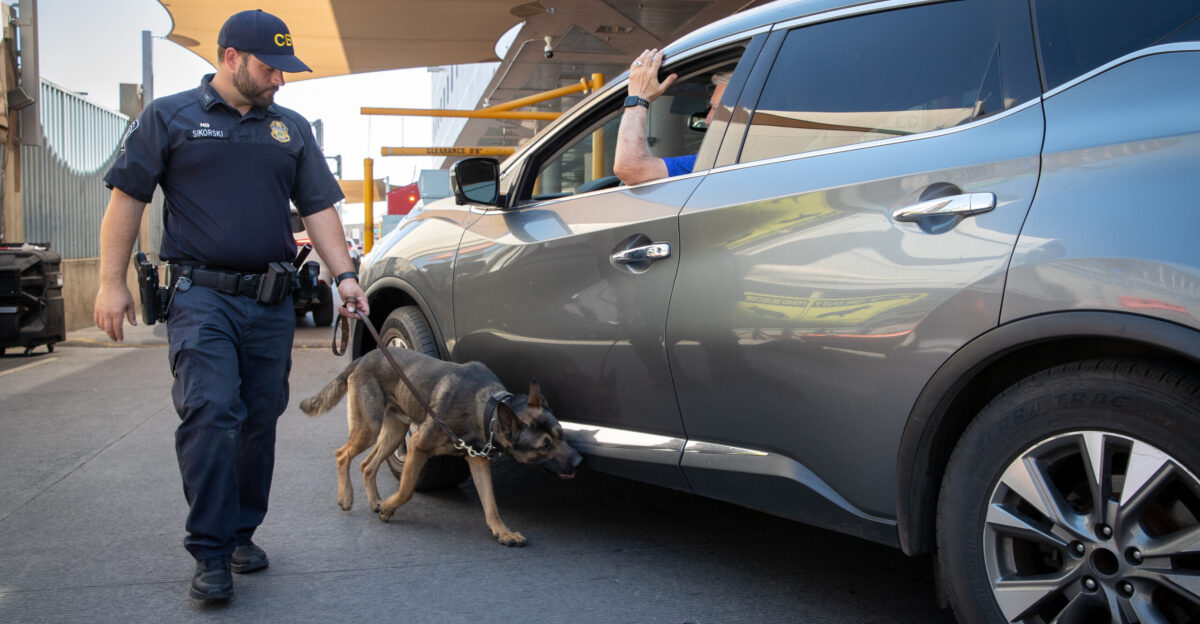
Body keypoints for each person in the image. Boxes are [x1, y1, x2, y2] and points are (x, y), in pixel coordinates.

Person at [93, 9, 369, 602]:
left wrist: (344, 275)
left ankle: (243, 532)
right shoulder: (169, 117)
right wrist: (109, 283)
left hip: (270, 303)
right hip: (201, 298)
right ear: (230, 58)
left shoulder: (289, 128)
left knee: (258, 420)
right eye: (271, 68)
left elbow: (319, 208)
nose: (280, 80)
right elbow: (127, 200)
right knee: (211, 412)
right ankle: (211, 551)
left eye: (285, 70)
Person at [614, 48, 731, 186]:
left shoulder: (722, 162)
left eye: (716, 109)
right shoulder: (750, 159)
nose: (707, 120)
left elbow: (630, 168)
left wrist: (637, 99)